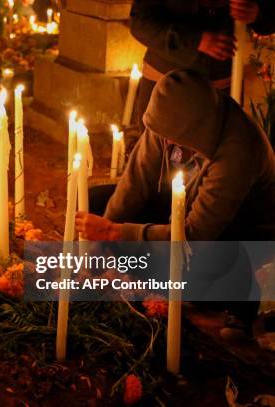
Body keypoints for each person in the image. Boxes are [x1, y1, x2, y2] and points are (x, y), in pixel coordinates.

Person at [75, 69, 275, 331]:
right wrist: (104, 230)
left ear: (195, 129)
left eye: (171, 137)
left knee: (208, 260)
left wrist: (114, 233)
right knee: (94, 203)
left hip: (233, 236)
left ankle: (219, 296)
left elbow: (194, 237)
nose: (165, 141)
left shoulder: (237, 152)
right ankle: (149, 270)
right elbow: (136, 181)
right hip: (179, 207)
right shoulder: (169, 119)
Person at [129, 0, 275, 130]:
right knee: (158, 157)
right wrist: (195, 40)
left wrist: (257, 12)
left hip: (222, 93)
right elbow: (140, 23)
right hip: (166, 87)